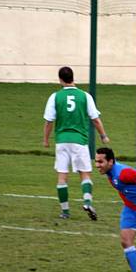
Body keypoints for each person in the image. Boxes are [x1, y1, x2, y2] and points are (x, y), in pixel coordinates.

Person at [43, 66, 110, 220]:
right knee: (85, 174)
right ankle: (87, 201)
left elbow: (48, 121)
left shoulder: (55, 97)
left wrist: (46, 139)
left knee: (62, 176)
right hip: (80, 141)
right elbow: (95, 119)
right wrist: (103, 135)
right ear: (73, 77)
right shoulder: (85, 96)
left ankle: (65, 212)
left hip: (61, 141)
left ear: (60, 79)